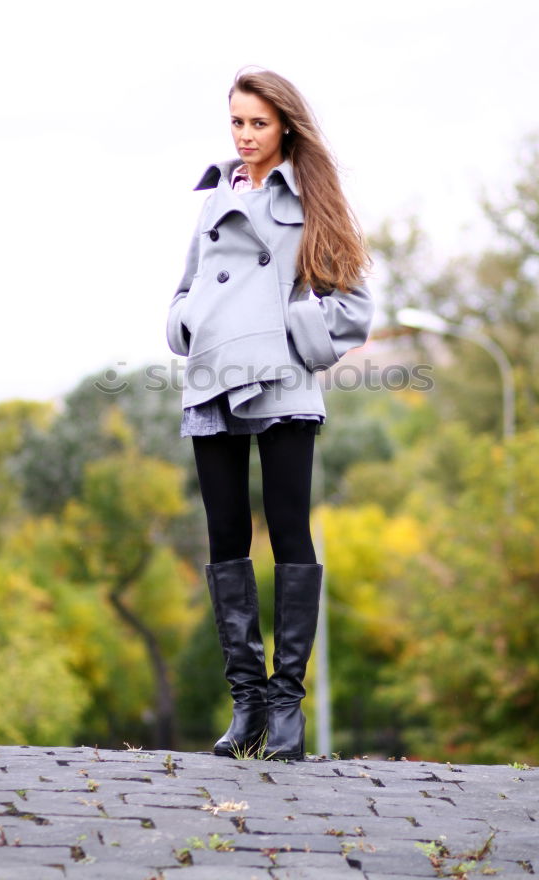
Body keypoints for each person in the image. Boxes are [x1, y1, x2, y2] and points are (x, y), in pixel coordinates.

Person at [166, 68, 374, 760]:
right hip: (212, 381)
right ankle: (247, 701)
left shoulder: (313, 201)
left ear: (284, 123)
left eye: (258, 122)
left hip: (283, 386)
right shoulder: (213, 197)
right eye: (236, 122)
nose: (246, 135)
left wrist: (289, 336)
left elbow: (352, 309)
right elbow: (187, 284)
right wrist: (185, 323)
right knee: (226, 535)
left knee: (289, 532)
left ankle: (287, 703)